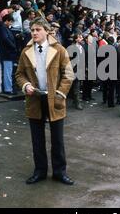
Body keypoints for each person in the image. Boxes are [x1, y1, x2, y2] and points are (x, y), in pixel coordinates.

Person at [15, 20, 75, 185]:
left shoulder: (59, 50)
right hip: (34, 99)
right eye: (32, 30)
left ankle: (59, 172)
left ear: (47, 31)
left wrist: (60, 94)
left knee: (57, 139)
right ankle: (40, 171)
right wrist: (26, 85)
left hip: (55, 99)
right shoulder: (26, 51)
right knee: (37, 139)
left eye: (38, 30)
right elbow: (19, 74)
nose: (34, 33)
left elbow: (68, 74)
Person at [0, 14, 18, 95]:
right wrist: (13, 47)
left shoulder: (4, 28)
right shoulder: (3, 28)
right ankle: (8, 89)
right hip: (7, 54)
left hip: (8, 53)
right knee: (7, 72)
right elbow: (5, 39)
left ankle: (9, 88)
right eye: (11, 22)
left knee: (8, 71)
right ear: (7, 21)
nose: (11, 24)